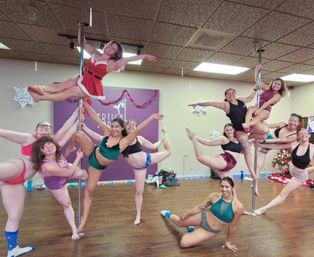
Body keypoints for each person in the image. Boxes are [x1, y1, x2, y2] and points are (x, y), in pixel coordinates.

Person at [64, 101, 164, 232]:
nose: (114, 129)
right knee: (78, 135)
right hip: (92, 152)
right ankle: (67, 153)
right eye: (112, 126)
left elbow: (139, 129)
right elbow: (95, 117)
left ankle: (83, 221)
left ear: (122, 128)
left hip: (97, 166)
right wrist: (85, 103)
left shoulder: (125, 141)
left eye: (117, 127)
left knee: (89, 191)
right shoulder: (107, 132)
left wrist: (151, 117)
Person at [0, 109, 79, 257]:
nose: (44, 128)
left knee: (15, 215)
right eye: (41, 126)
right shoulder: (28, 138)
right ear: (36, 129)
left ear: (50, 131)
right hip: (18, 168)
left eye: (47, 127)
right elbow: (3, 132)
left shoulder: (50, 145)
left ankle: (12, 249)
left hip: (17, 182)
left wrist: (77, 114)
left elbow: (66, 129)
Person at [27, 24, 157, 102]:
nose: (110, 48)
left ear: (114, 54)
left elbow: (128, 59)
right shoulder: (95, 53)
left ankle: (41, 98)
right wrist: (80, 28)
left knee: (69, 91)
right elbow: (82, 43)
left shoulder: (111, 64)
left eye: (113, 49)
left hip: (91, 85)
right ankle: (41, 88)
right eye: (110, 45)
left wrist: (144, 56)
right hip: (83, 76)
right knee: (64, 84)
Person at [82, 119, 171, 225]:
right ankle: (138, 215)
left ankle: (165, 132)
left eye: (134, 125)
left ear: (136, 127)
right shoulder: (120, 140)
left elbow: (154, 146)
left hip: (147, 159)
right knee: (139, 191)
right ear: (125, 127)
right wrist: (85, 129)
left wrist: (162, 139)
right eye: (129, 125)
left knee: (168, 151)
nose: (131, 127)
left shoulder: (140, 138)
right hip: (139, 169)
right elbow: (100, 138)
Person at [188, 87, 262, 184]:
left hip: (248, 126)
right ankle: (252, 172)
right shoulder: (226, 104)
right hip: (240, 130)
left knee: (263, 130)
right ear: (225, 96)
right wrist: (197, 104)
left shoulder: (240, 100)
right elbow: (211, 103)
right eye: (228, 94)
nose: (231, 95)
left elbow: (249, 98)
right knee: (247, 149)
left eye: (233, 93)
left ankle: (260, 139)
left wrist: (255, 89)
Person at [160, 177, 244, 251]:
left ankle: (190, 229)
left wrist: (228, 242)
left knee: (183, 243)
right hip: (202, 217)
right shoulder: (214, 196)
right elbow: (200, 207)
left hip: (209, 230)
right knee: (178, 222)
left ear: (232, 188)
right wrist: (187, 214)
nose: (224, 189)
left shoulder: (238, 207)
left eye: (227, 187)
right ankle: (167, 213)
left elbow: (233, 226)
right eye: (222, 186)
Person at [31, 136, 88, 240]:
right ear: (41, 151)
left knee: (83, 173)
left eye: (50, 143)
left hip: (64, 171)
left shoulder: (57, 153)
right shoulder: (47, 166)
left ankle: (82, 179)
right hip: (56, 184)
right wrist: (78, 157)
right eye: (44, 146)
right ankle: (74, 230)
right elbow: (68, 173)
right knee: (67, 204)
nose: (49, 147)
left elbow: (65, 165)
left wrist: (69, 151)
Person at [255, 128, 314, 215]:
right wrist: (263, 144)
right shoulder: (294, 144)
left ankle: (263, 209)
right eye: (301, 133)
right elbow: (276, 147)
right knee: (304, 171)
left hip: (299, 177)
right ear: (298, 136)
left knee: (283, 194)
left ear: (309, 135)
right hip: (295, 171)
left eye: (305, 133)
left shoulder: (312, 148)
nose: (303, 135)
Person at [252, 113, 302, 196]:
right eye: (291, 120)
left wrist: (263, 143)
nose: (292, 122)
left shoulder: (294, 136)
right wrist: (260, 119)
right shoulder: (282, 124)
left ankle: (253, 142)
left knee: (289, 144)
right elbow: (269, 125)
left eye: (295, 121)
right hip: (265, 138)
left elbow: (280, 140)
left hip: (270, 145)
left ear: (299, 123)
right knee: (259, 166)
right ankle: (255, 184)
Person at [186, 124, 244, 195]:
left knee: (231, 186)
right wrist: (195, 138)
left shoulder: (237, 140)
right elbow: (208, 143)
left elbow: (241, 152)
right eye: (227, 130)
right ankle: (193, 139)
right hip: (225, 161)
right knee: (200, 157)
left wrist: (252, 142)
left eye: (230, 129)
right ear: (225, 131)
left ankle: (234, 203)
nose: (229, 132)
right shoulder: (223, 139)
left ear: (234, 130)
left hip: (231, 165)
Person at [242, 64, 287, 132]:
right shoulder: (267, 88)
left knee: (259, 116)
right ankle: (247, 124)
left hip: (265, 110)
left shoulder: (278, 95)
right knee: (250, 109)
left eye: (278, 84)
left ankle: (248, 124)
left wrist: (259, 110)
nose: (276, 85)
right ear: (272, 83)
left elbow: (268, 102)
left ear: (281, 87)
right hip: (257, 106)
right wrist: (256, 70)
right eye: (275, 83)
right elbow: (258, 81)